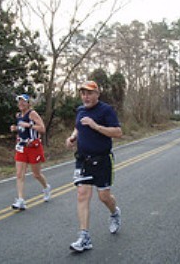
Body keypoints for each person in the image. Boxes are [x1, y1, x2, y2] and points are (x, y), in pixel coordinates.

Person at [65, 80, 123, 252]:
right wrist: (72, 137)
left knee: (104, 197)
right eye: (83, 93)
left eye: (89, 93)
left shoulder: (106, 110)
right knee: (82, 194)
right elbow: (78, 127)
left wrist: (96, 126)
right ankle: (84, 237)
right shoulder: (80, 110)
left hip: (103, 159)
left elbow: (118, 132)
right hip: (83, 159)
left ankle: (114, 213)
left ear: (97, 94)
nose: (86, 96)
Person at [10, 94, 51, 210]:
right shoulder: (18, 115)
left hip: (34, 146)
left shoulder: (32, 114)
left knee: (36, 174)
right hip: (22, 146)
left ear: (28, 103)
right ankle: (21, 200)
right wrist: (16, 129)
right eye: (19, 102)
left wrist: (29, 124)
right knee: (19, 174)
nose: (21, 104)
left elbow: (42, 128)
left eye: (24, 102)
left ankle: (46, 187)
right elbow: (22, 130)